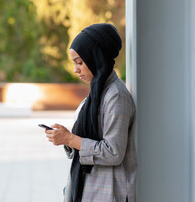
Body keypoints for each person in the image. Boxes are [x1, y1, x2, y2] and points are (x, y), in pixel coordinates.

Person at [44, 23, 137, 202]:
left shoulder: (115, 96)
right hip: (91, 187)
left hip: (109, 191)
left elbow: (114, 152)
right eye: (74, 63)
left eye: (80, 62)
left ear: (96, 57)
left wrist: (70, 139)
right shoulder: (97, 94)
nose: (75, 69)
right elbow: (85, 140)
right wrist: (66, 137)